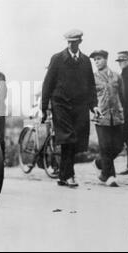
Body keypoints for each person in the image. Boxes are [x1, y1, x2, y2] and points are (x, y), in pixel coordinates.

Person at [41, 29, 99, 187]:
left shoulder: (86, 61)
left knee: (75, 140)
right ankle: (70, 175)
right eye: (69, 42)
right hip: (61, 104)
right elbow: (48, 84)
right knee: (69, 138)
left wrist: (94, 106)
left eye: (74, 42)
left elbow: (91, 86)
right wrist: (44, 107)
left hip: (79, 106)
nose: (71, 45)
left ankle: (62, 176)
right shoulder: (58, 59)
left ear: (80, 42)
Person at [90, 50, 124, 187]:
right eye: (95, 60)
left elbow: (122, 96)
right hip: (101, 117)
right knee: (105, 147)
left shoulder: (117, 77)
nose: (97, 62)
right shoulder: (92, 78)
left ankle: (99, 163)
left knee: (118, 146)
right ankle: (109, 176)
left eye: (99, 59)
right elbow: (90, 97)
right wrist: (93, 108)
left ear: (106, 59)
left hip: (116, 116)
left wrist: (123, 111)